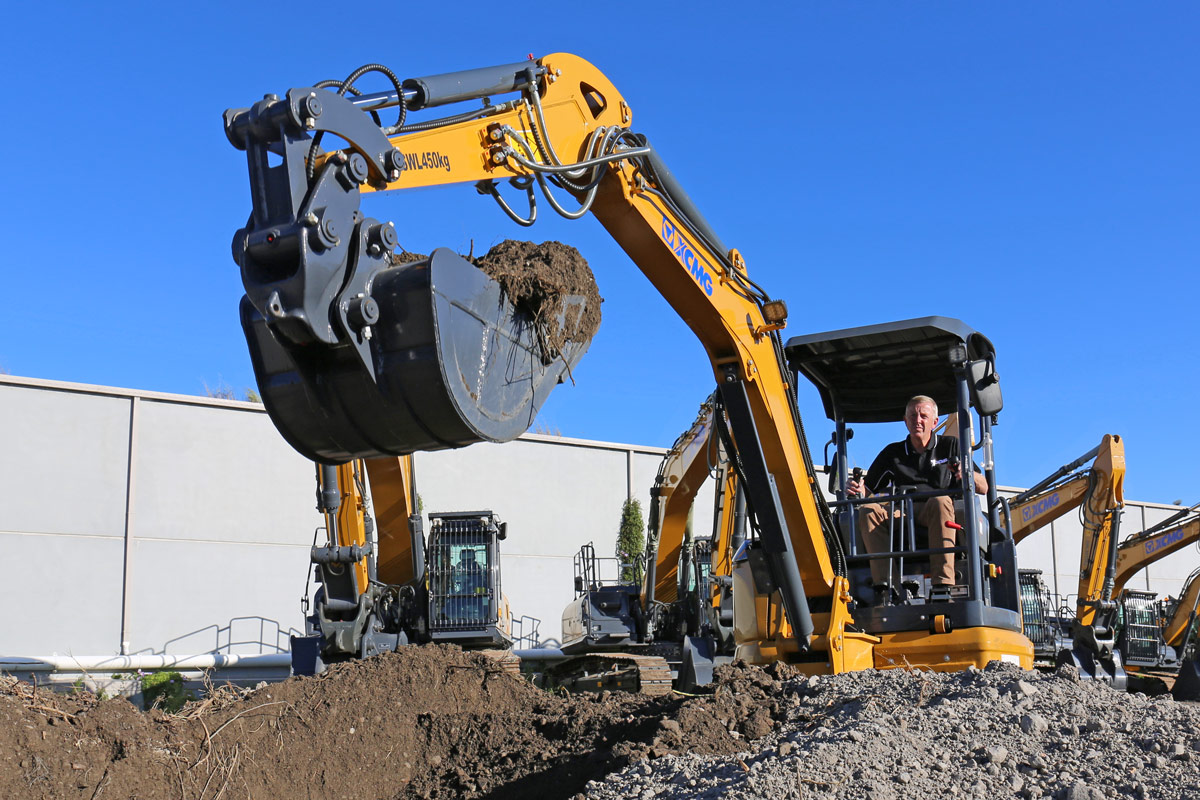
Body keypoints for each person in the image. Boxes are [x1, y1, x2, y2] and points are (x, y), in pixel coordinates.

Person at [846, 395, 987, 603]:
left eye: (923, 415)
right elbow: (868, 489)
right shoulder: (892, 453)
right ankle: (887, 588)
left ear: (935, 422)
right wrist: (858, 488)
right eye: (912, 415)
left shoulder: (951, 446)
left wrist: (967, 473)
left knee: (939, 501)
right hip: (902, 510)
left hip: (937, 511)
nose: (917, 420)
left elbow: (983, 487)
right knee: (868, 510)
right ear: (905, 420)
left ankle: (942, 585)